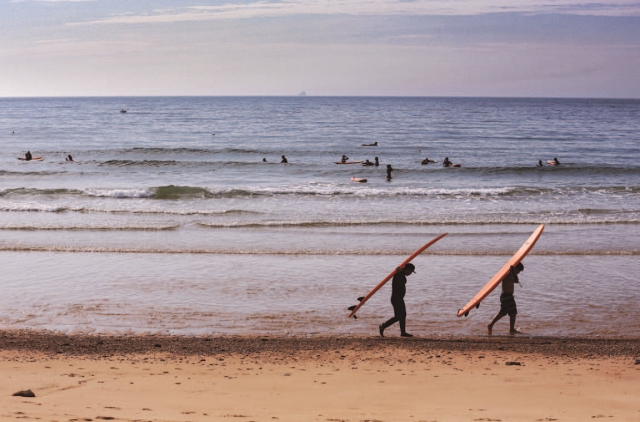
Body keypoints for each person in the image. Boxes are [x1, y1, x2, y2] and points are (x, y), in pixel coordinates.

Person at [379, 263, 415, 337]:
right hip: (396, 298)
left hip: (399, 298)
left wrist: (400, 270)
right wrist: (399, 270)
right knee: (398, 316)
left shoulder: (400, 273)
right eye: (411, 271)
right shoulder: (399, 274)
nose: (410, 273)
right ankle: (383, 326)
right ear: (407, 269)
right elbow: (396, 277)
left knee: (403, 315)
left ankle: (403, 332)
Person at [487, 262, 524, 335]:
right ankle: (512, 329)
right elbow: (516, 281)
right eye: (518, 271)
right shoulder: (509, 274)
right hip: (507, 297)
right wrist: (513, 272)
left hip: (505, 296)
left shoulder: (510, 273)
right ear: (516, 269)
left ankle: (491, 325)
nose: (518, 273)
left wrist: (514, 272)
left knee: (503, 313)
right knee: (513, 313)